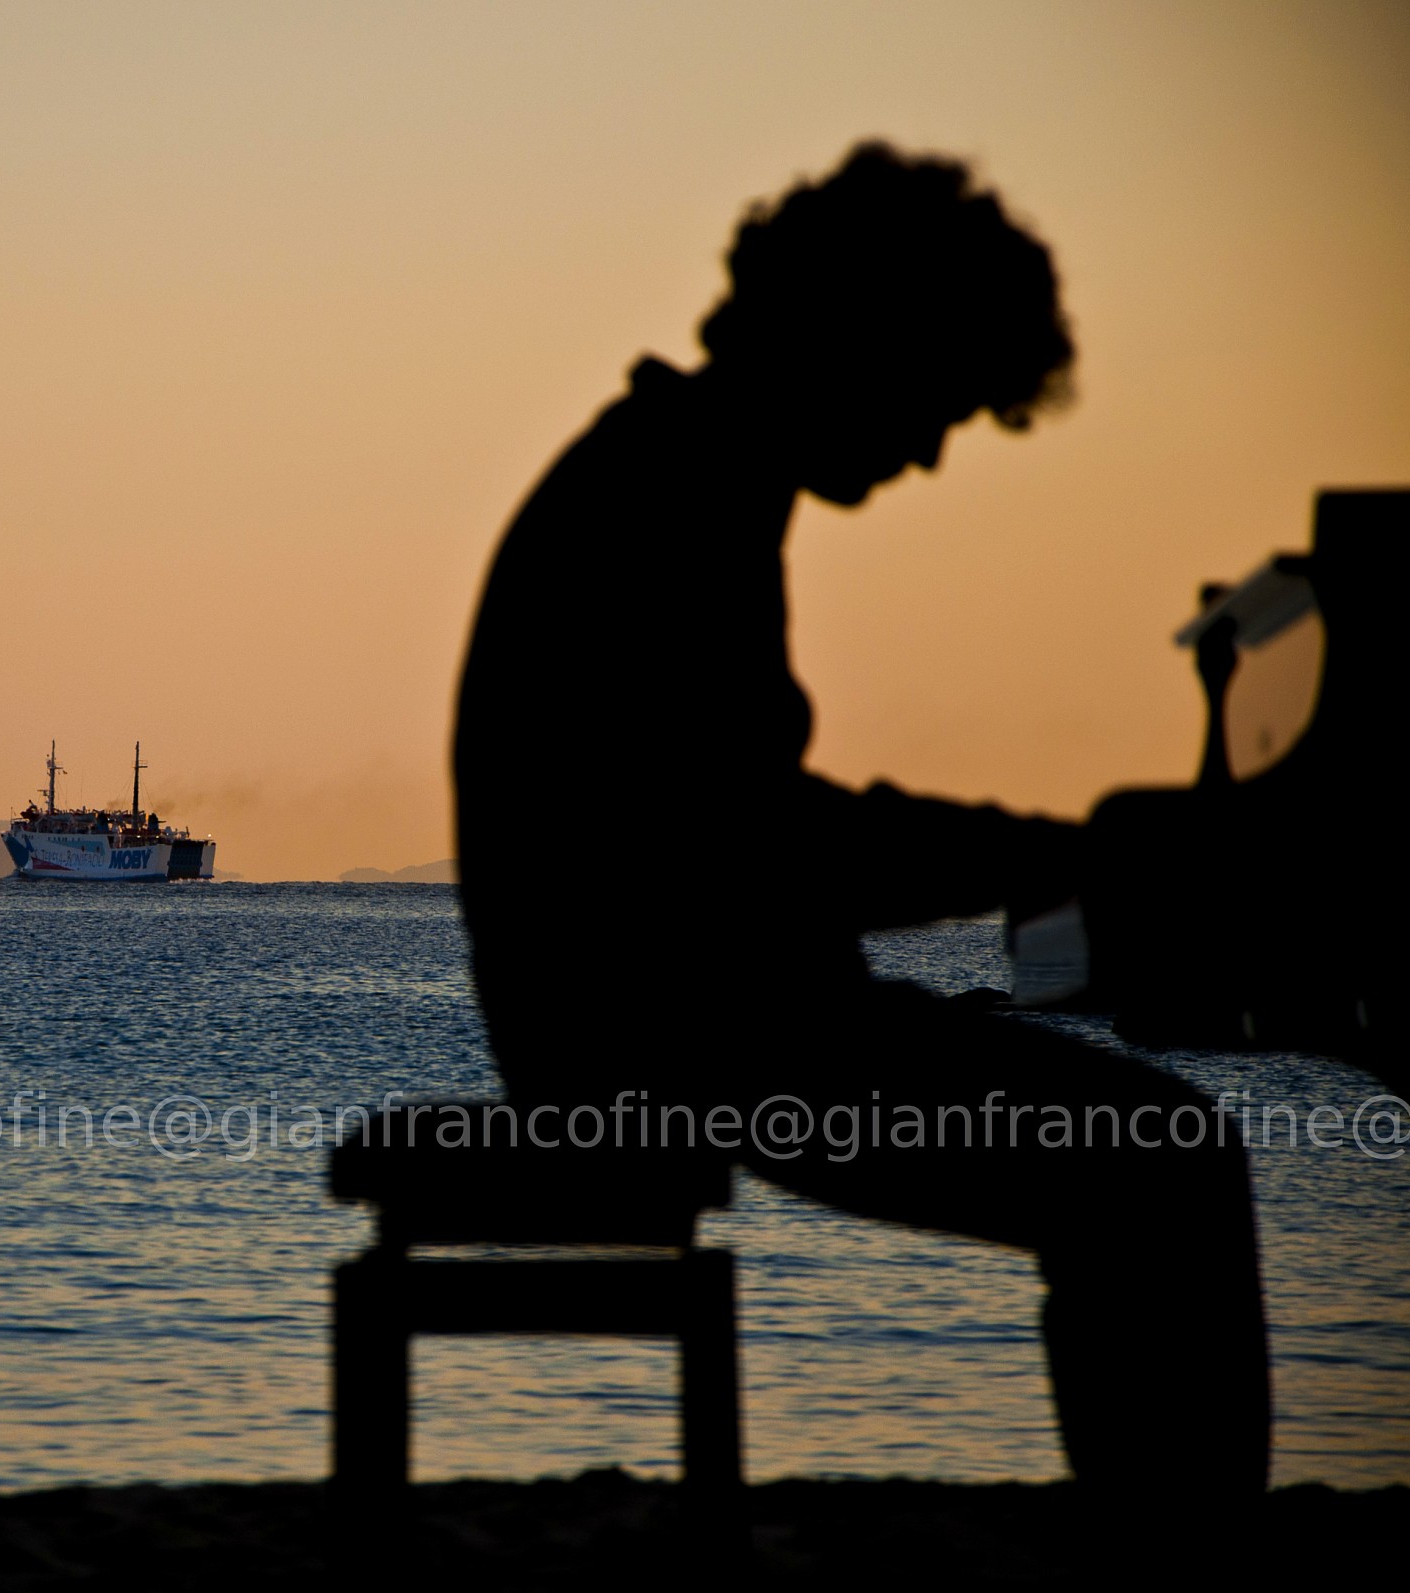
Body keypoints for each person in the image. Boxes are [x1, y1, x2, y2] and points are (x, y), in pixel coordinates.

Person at [452, 142, 1268, 1499]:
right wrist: (1063, 854)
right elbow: (756, 849)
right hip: (667, 1043)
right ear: (860, 336)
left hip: (655, 1017)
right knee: (1162, 1161)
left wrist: (1036, 872)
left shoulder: (672, 467)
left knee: (1137, 1149)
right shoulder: (677, 494)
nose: (936, 448)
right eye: (936, 396)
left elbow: (739, 850)